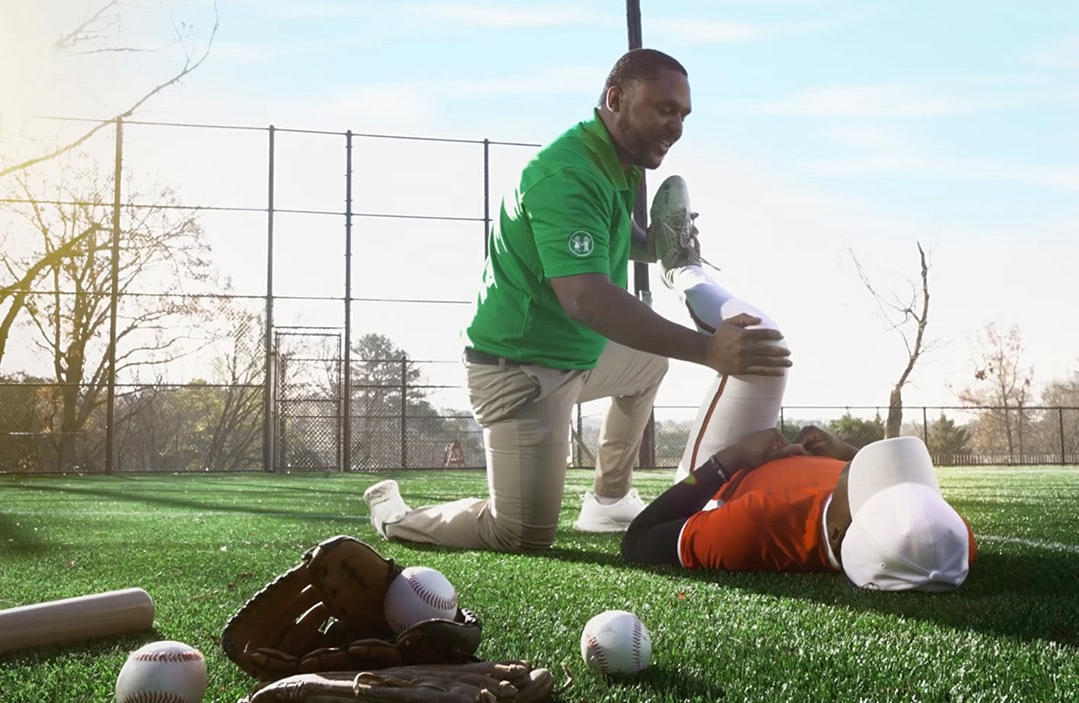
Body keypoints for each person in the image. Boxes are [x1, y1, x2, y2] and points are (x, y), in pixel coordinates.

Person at [360, 48, 791, 554]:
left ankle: (607, 501)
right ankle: (398, 518)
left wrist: (659, 243)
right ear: (616, 99)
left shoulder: (615, 160)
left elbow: (613, 235)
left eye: (683, 114)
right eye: (664, 109)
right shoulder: (567, 173)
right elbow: (586, 298)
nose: (676, 126)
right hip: (519, 373)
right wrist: (708, 350)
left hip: (575, 355)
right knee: (521, 534)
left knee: (648, 363)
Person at [616, 251, 977, 591]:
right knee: (762, 345)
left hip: (721, 479)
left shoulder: (754, 530)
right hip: (762, 461)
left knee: (760, 339)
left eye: (866, 485)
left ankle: (683, 271)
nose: (864, 474)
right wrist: (843, 452)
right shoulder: (945, 542)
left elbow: (637, 541)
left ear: (835, 534)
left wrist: (732, 460)